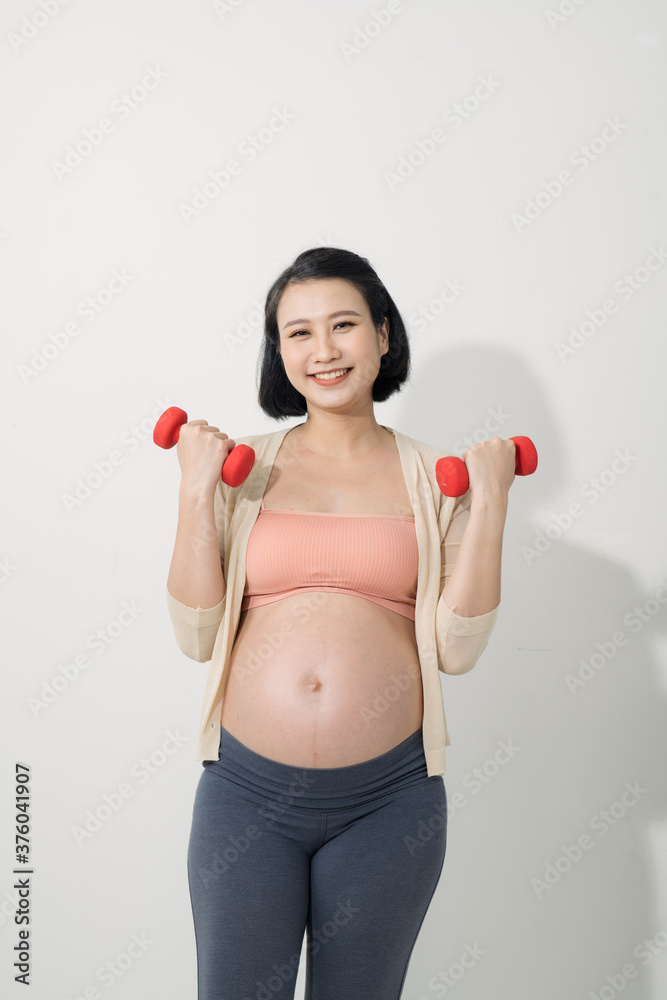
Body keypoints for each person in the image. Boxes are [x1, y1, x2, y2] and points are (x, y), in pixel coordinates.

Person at [165, 247, 515, 999]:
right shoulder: (238, 468)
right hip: (246, 793)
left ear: (383, 335)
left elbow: (456, 650)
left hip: (390, 800)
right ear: (278, 351)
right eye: (298, 333)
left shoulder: (434, 476)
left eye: (344, 325)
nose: (322, 351)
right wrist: (197, 491)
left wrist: (490, 506)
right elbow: (195, 634)